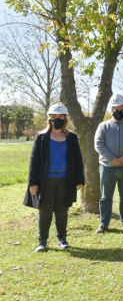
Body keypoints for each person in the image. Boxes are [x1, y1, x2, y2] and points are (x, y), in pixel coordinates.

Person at [25, 104, 85, 252]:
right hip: (46, 181)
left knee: (62, 211)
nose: (57, 119)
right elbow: (34, 161)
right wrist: (32, 182)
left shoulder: (71, 137)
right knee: (45, 211)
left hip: (65, 180)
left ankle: (62, 239)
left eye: (60, 116)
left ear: (65, 118)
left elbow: (78, 159)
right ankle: (42, 242)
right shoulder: (42, 137)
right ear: (49, 118)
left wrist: (79, 179)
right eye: (54, 116)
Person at [94, 94, 123, 233]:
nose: (118, 111)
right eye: (115, 109)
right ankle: (104, 223)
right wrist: (111, 159)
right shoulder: (103, 126)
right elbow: (98, 144)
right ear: (111, 110)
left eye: (121, 109)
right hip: (107, 167)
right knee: (106, 197)